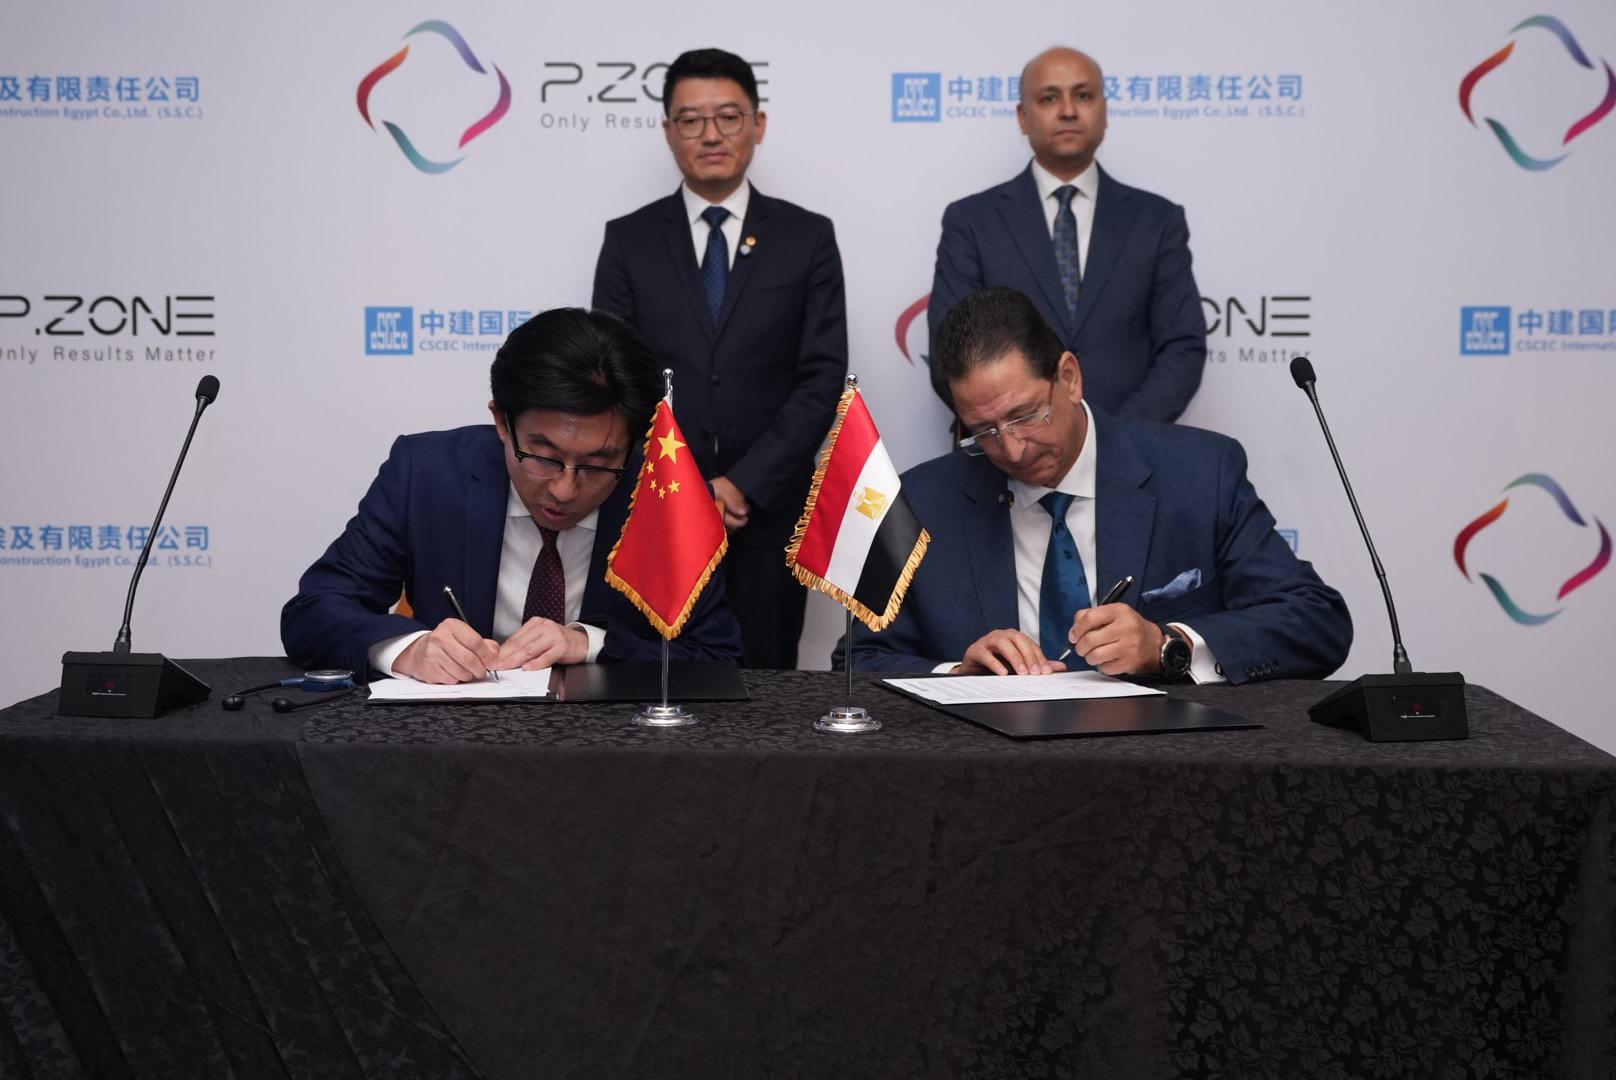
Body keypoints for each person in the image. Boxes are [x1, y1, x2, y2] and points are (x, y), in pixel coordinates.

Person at [846, 287, 1351, 682]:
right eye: (985, 432)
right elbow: (859, 661)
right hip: (991, 768)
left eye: (1026, 416)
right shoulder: (921, 501)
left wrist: (1167, 644)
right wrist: (957, 674)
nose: (1014, 450)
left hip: (1163, 764)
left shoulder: (1200, 473)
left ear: (1069, 378)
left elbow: (1316, 622)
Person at [281, 308, 743, 683]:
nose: (564, 489)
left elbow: (718, 657)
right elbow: (314, 611)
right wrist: (407, 649)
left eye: (597, 464)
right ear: (502, 422)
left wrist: (592, 644)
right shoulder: (426, 474)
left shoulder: (666, 499)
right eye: (543, 457)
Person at [592, 47, 847, 669]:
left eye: (729, 117)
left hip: (767, 514)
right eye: (691, 119)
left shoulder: (807, 236)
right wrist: (681, 487)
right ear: (667, 131)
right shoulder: (629, 239)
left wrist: (743, 484)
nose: (711, 135)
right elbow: (613, 377)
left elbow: (821, 377)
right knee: (652, 680)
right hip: (656, 509)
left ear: (758, 124)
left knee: (766, 687)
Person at [928, 46, 1206, 424]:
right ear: (1023, 117)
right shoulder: (972, 221)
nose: (1068, 111)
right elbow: (950, 352)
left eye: (1083, 95)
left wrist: (1117, 439)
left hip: (1131, 448)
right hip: (1010, 449)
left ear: (1105, 111)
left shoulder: (1157, 220)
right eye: (1049, 98)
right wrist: (1026, 431)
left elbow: (1182, 348)